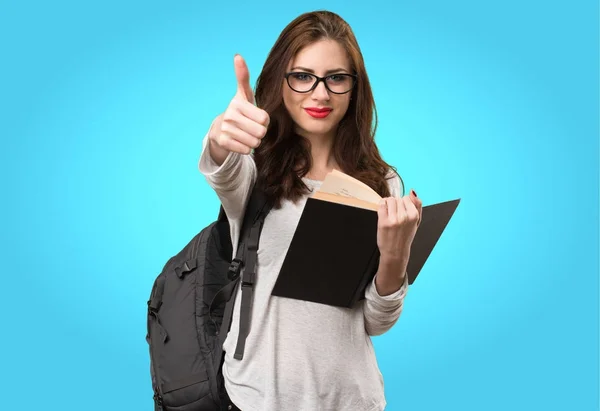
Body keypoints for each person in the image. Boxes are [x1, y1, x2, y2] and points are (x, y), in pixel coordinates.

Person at [198, 10, 423, 411]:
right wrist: (220, 135)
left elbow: (376, 322)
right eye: (302, 76)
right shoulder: (255, 170)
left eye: (336, 78)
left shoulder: (381, 184)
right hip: (256, 398)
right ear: (280, 80)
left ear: (355, 88)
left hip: (353, 399)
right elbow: (222, 167)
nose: (320, 94)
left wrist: (396, 255)